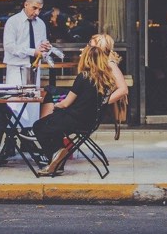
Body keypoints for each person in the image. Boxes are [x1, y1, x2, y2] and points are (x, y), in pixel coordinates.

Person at [32, 44, 124, 176]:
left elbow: (66, 103)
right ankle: (58, 161)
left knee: (39, 126)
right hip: (90, 122)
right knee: (55, 127)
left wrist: (56, 106)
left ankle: (56, 155)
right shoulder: (106, 79)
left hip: (75, 120)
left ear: (86, 59)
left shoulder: (83, 77)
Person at [3, 0, 51, 131]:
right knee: (14, 104)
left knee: (33, 105)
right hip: (16, 68)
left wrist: (46, 48)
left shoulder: (40, 24)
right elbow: (9, 46)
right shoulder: (13, 22)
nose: (37, 12)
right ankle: (11, 140)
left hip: (34, 68)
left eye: (40, 9)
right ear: (26, 4)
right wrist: (32, 51)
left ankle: (28, 139)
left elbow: (41, 47)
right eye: (34, 8)